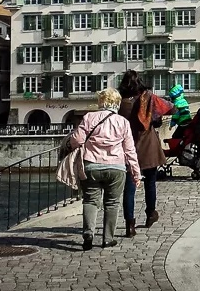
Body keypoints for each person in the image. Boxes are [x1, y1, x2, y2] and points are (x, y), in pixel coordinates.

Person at [69, 88, 141, 250]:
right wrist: (136, 174)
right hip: (116, 167)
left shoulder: (89, 117)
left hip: (91, 165)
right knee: (112, 203)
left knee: (90, 200)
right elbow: (130, 151)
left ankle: (88, 233)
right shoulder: (122, 122)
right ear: (117, 103)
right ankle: (108, 238)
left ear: (100, 102)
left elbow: (77, 140)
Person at [118, 71, 165, 236]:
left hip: (128, 148)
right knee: (150, 183)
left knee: (129, 188)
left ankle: (129, 224)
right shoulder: (147, 100)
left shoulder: (120, 104)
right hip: (148, 146)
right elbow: (160, 116)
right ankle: (150, 213)